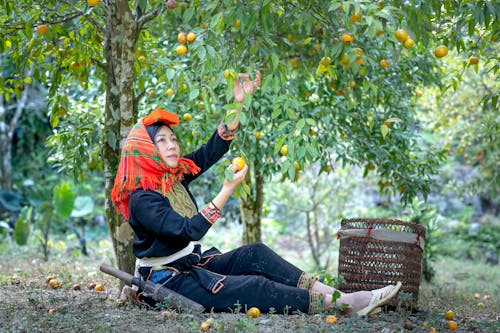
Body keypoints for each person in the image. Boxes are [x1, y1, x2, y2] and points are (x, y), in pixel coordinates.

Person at [111, 71, 401, 316]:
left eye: (173, 139)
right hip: (169, 282)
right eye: (162, 141)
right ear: (145, 151)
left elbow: (212, 149)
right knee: (254, 287)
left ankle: (339, 296)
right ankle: (342, 306)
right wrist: (227, 189)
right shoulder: (143, 198)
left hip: (192, 264)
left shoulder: (172, 177)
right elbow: (190, 230)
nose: (172, 145)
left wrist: (239, 104)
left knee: (255, 253)